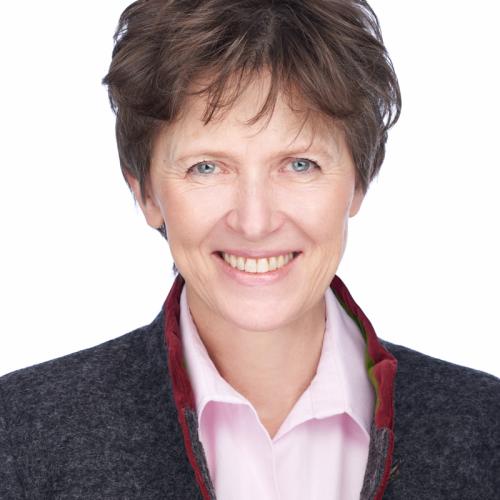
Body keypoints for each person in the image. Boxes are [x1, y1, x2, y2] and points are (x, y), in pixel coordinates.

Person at [0, 0, 498, 498]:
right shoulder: (23, 437)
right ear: (145, 193)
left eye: (300, 164)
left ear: (360, 181)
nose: (255, 223)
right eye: (207, 167)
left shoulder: (486, 430)